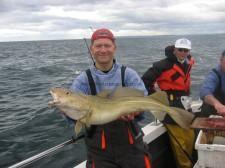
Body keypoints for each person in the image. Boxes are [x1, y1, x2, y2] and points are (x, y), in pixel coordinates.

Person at [70, 28, 151, 168]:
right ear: (91, 49)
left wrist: (134, 112)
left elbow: (143, 102)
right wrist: (66, 109)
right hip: (99, 153)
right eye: (98, 46)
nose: (103, 50)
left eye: (107, 45)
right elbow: (73, 115)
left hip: (131, 146)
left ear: (114, 48)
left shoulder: (128, 74)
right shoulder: (82, 80)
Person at [142, 38, 195, 168]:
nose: (182, 52)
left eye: (185, 50)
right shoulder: (162, 66)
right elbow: (144, 81)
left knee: (190, 136)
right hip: (171, 106)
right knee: (180, 143)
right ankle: (185, 166)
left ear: (189, 51)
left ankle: (191, 162)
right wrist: (157, 98)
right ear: (175, 49)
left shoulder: (188, 62)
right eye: (180, 50)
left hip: (185, 104)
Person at [200, 50, 225, 117]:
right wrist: (217, 104)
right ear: (221, 60)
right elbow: (204, 91)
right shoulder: (214, 74)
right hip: (214, 112)